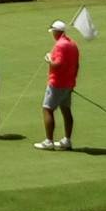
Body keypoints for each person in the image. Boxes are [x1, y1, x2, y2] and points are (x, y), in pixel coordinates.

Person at [35, 19, 79, 150]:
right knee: (66, 110)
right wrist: (72, 82)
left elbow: (58, 64)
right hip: (68, 83)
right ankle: (67, 140)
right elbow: (77, 65)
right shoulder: (72, 44)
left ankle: (49, 141)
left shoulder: (60, 45)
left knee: (47, 109)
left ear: (56, 32)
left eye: (53, 32)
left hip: (57, 83)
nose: (52, 34)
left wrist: (49, 59)